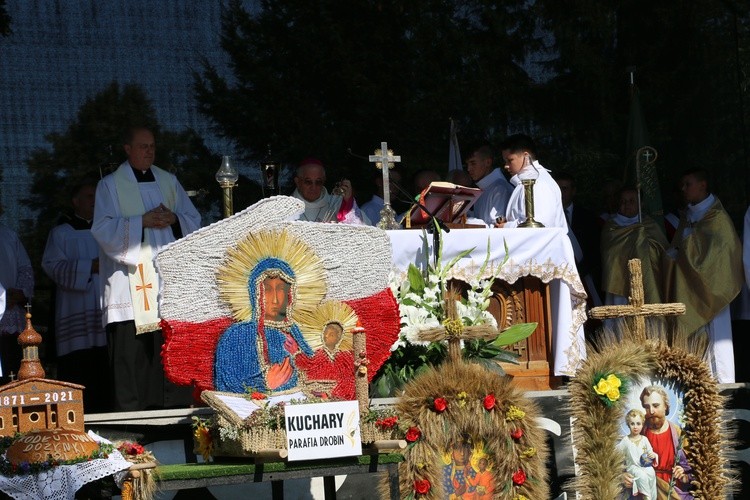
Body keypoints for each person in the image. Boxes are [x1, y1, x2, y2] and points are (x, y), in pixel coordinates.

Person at [91, 126, 201, 411]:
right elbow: (102, 230)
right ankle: (134, 426)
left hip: (166, 286)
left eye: (152, 146)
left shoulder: (169, 181)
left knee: (167, 359)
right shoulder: (110, 186)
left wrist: (174, 218)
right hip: (129, 286)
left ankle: (172, 418)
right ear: (127, 149)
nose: (149, 151)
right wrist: (142, 222)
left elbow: (193, 220)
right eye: (143, 146)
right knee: (132, 360)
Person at [663, 168, 742, 383]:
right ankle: (695, 379)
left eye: (688, 184)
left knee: (717, 338)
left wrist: (687, 247)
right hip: (690, 288)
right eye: (682, 185)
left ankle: (722, 383)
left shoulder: (717, 217)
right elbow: (679, 246)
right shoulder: (688, 215)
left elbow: (722, 253)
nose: (683, 189)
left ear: (702, 185)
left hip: (713, 289)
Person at [42, 182, 109, 412]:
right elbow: (51, 265)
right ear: (75, 201)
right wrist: (89, 267)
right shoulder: (61, 233)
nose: (94, 200)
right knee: (78, 370)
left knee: (105, 368)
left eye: (96, 196)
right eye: (89, 195)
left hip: (103, 309)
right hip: (75, 310)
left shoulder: (108, 230)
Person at [214, 268, 313, 393]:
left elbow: (316, 371)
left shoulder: (297, 334)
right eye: (267, 289)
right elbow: (228, 383)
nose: (275, 299)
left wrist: (299, 356)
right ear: (255, 292)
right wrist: (264, 383)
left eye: (281, 289)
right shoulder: (238, 335)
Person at [601, 187, 669, 306]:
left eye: (632, 201)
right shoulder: (611, 227)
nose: (627, 204)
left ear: (640, 204)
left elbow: (661, 251)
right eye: (623, 201)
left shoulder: (649, 225)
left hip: (647, 280)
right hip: (619, 284)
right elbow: (610, 254)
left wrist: (642, 240)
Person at [630, 385, 694, 499]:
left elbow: (693, 469)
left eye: (656, 405)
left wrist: (683, 473)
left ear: (666, 406)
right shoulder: (638, 434)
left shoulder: (679, 434)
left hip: (673, 491)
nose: (651, 411)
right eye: (646, 407)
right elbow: (626, 463)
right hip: (645, 490)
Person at [495, 134, 567, 230]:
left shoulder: (538, 183)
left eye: (510, 160)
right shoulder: (530, 181)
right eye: (505, 161)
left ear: (526, 156)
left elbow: (540, 224)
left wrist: (505, 226)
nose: (506, 166)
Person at [556, 171, 603, 307]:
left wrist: (581, 270)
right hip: (561, 275)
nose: (561, 193)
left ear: (573, 191)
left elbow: (595, 248)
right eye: (558, 188)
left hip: (585, 275)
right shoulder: (549, 218)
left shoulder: (587, 217)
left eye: (565, 188)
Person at [0, 222, 34, 383]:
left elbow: (25, 268)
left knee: (12, 372)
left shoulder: (9, 235)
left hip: (11, 314)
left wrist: (20, 292)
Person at [292, 158, 369, 224]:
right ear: (298, 182)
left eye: (318, 182)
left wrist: (348, 202)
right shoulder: (286, 207)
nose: (313, 187)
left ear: (324, 181)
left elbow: (363, 227)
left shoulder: (336, 203)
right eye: (308, 182)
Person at [463, 142, 512, 226]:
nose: (468, 169)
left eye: (473, 163)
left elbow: (497, 227)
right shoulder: (482, 188)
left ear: (488, 162)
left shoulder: (500, 189)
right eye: (467, 164)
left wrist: (466, 220)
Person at [617, 408, 658, 500]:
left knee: (651, 472)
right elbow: (616, 456)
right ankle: (646, 497)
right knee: (641, 475)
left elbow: (650, 452)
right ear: (628, 425)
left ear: (642, 425)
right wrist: (621, 471)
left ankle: (653, 497)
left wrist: (653, 455)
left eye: (638, 424)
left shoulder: (644, 439)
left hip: (644, 465)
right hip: (632, 467)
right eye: (632, 424)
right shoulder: (625, 441)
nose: (635, 427)